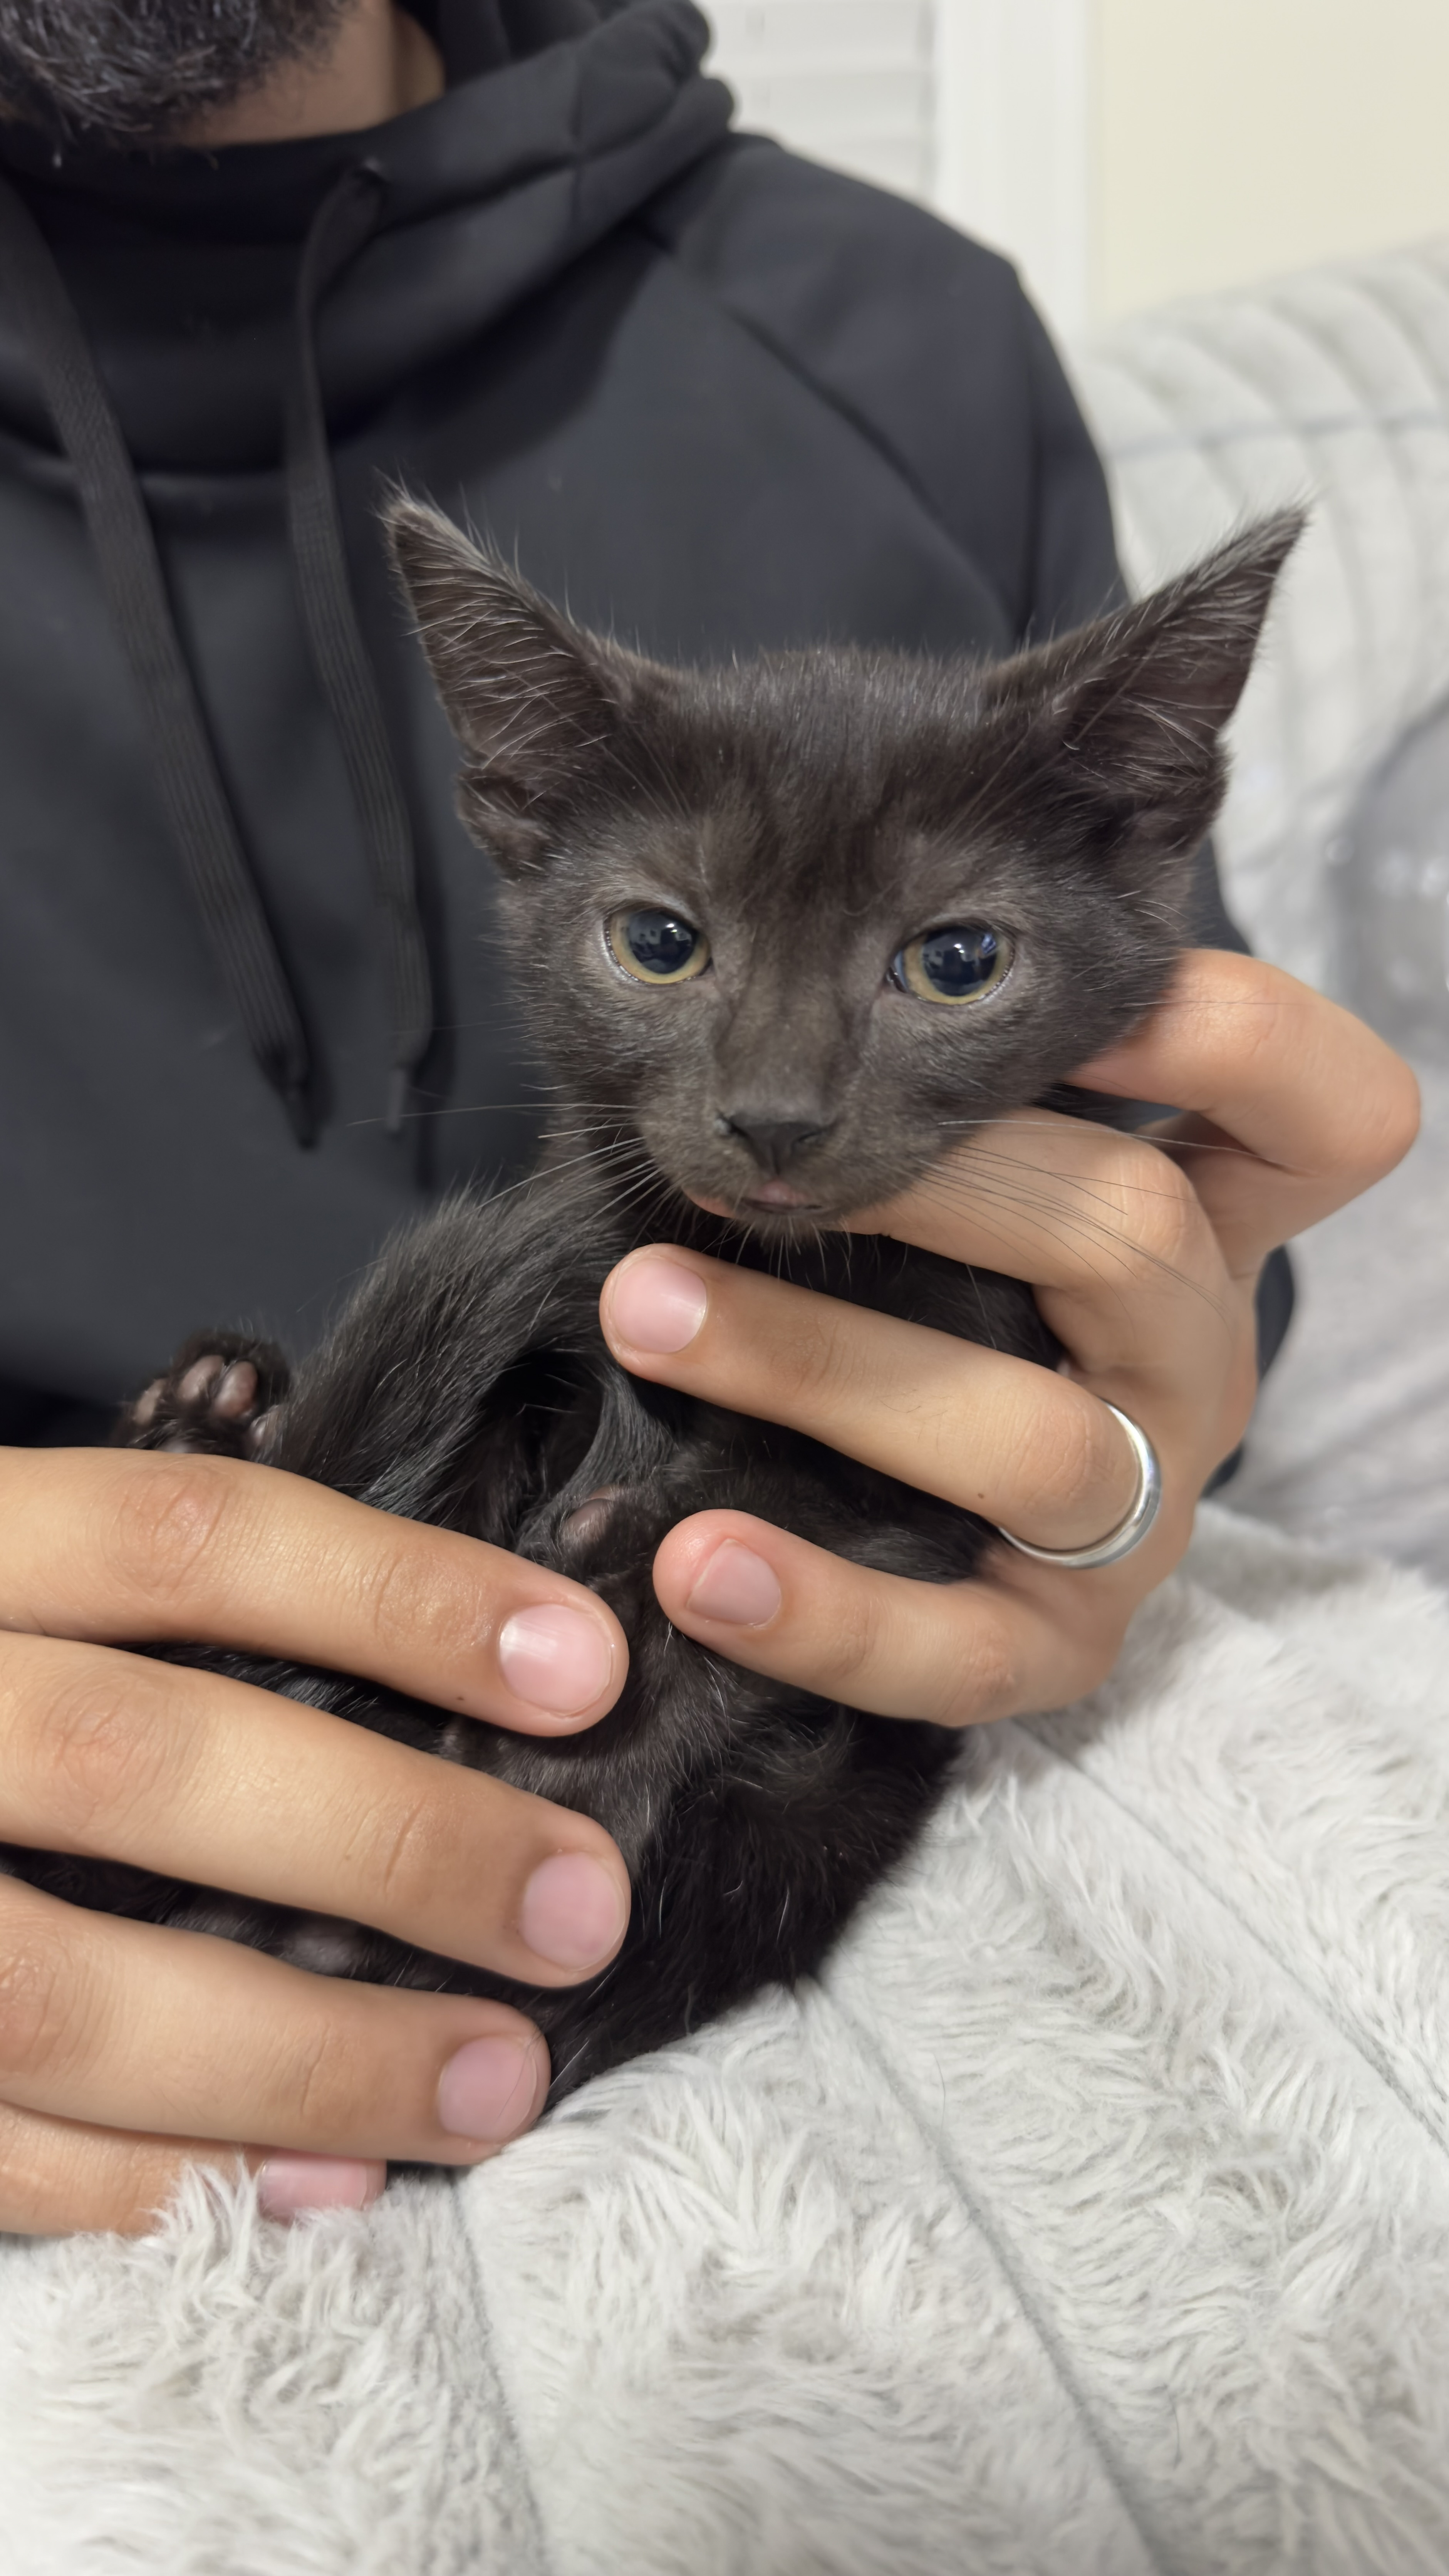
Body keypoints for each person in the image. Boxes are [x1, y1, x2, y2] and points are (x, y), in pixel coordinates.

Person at [0, 0, 1418, 2236]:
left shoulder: (895, 345)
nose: (764, 1103)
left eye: (941, 967)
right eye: (664, 952)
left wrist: (1129, 1419)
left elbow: (1174, 1318)